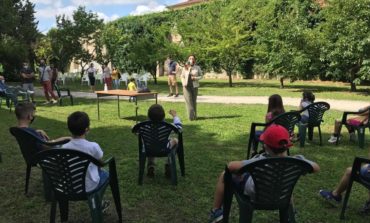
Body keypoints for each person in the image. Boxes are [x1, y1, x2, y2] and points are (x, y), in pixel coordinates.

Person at [208, 124, 320, 223]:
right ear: (288, 144)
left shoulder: (259, 161)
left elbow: (231, 166)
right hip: (282, 195)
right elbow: (316, 168)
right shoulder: (296, 161)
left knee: (224, 175)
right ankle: (291, 213)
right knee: (285, 183)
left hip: (256, 195)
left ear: (265, 146)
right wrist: (301, 162)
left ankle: (216, 211)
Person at [61, 111, 108, 193]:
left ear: (69, 129)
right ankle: (96, 201)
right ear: (87, 129)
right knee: (106, 174)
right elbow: (100, 162)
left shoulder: (64, 148)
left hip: (72, 186)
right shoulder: (93, 146)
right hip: (90, 186)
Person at [145, 104, 182, 178]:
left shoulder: (144, 126)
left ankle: (150, 166)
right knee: (175, 140)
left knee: (150, 143)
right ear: (163, 116)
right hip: (165, 148)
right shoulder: (167, 126)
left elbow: (134, 130)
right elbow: (179, 128)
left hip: (148, 149)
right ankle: (169, 164)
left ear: (148, 116)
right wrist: (175, 116)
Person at [180, 55, 203, 121]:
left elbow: (201, 76)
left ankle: (195, 116)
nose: (191, 59)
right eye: (190, 58)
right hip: (186, 87)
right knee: (189, 102)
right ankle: (191, 117)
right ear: (188, 59)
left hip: (194, 86)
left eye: (193, 58)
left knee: (193, 101)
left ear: (194, 60)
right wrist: (183, 83)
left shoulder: (197, 67)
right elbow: (182, 76)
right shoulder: (185, 67)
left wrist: (195, 78)